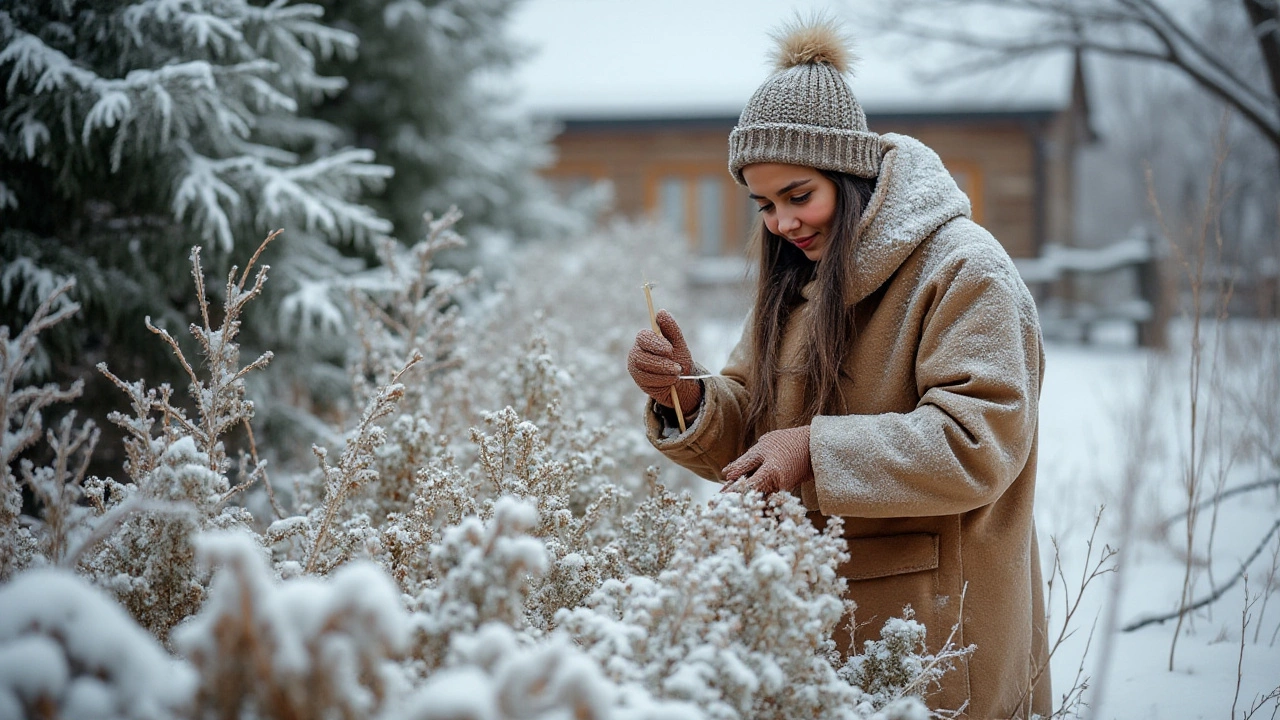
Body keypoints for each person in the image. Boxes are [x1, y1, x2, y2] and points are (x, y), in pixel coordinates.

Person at [626, 17, 1052, 719]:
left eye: (799, 196)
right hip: (811, 629)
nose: (782, 223)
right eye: (764, 205)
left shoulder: (965, 272)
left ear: (851, 174)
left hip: (937, 638)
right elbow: (756, 429)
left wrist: (815, 451)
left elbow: (979, 444)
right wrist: (689, 395)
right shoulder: (798, 281)